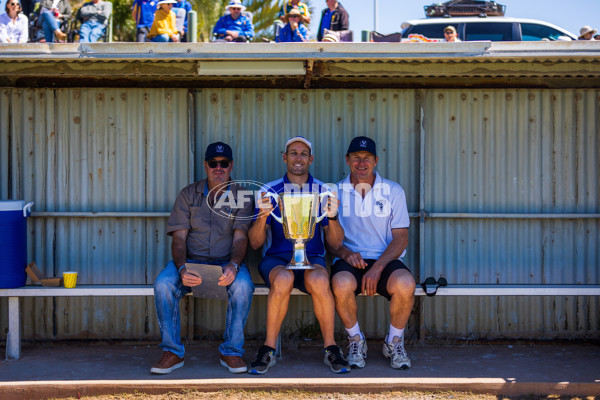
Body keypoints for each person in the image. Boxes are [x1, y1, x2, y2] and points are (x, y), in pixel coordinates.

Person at [247, 136, 350, 375]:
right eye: (293, 153)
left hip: (312, 257)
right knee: (283, 279)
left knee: (321, 279)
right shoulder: (269, 190)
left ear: (311, 159)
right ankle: (268, 350)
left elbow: (335, 243)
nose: (298, 158)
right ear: (285, 158)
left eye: (303, 154)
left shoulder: (324, 191)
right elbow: (254, 243)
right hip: (276, 258)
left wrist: (332, 217)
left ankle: (330, 348)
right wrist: (262, 216)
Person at [151, 142, 255, 375]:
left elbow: (240, 238)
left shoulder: (242, 196)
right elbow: (178, 239)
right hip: (190, 263)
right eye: (213, 163)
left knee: (243, 286)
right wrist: (181, 269)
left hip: (226, 262)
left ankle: (231, 351)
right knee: (163, 285)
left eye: (224, 163)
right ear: (205, 166)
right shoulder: (189, 194)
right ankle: (172, 352)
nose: (218, 168)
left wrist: (234, 265)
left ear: (231, 166)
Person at [329, 136, 415, 370]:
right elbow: (329, 240)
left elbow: (401, 238)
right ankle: (356, 340)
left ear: (375, 161)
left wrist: (377, 267)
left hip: (385, 259)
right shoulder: (335, 191)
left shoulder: (393, 190)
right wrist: (346, 253)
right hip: (350, 259)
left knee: (406, 284)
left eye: (367, 158)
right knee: (340, 283)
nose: (361, 162)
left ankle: (394, 342)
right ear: (347, 160)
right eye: (356, 157)